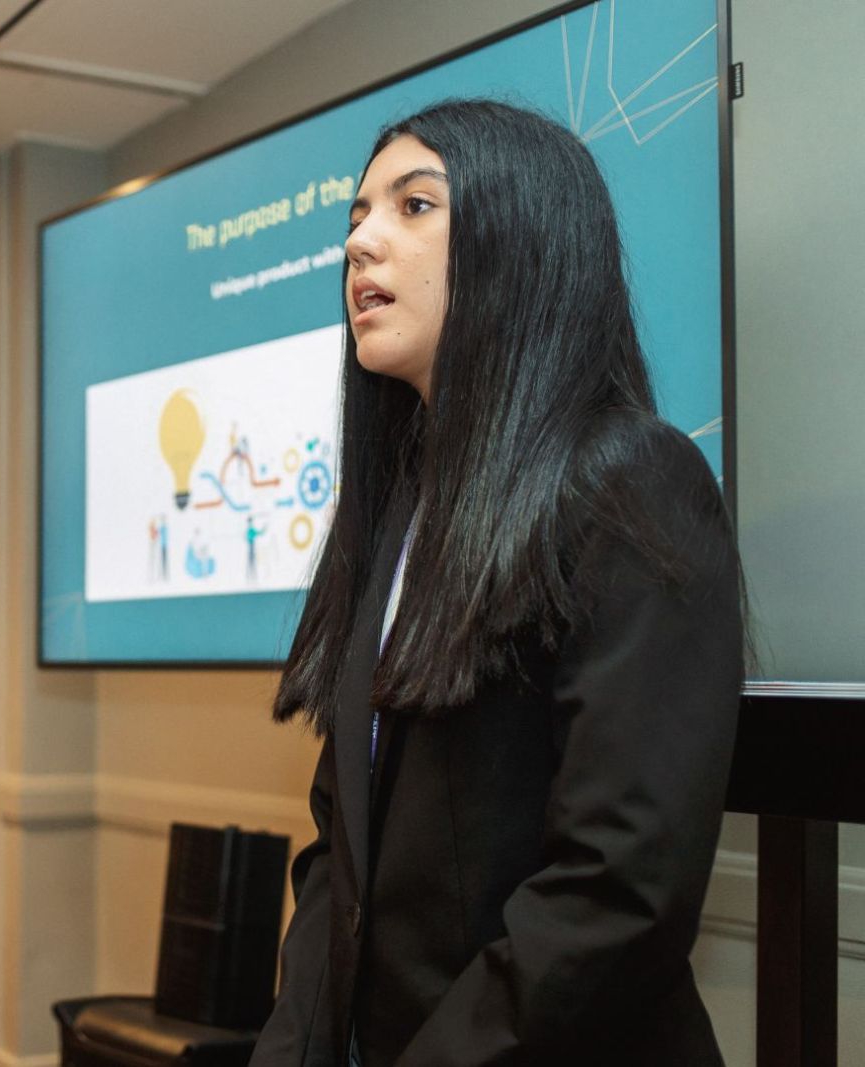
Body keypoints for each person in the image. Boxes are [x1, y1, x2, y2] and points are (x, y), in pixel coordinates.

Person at [251, 100, 744, 1066]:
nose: (360, 242)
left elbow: (617, 889)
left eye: (413, 206)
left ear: (523, 239)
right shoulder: (396, 514)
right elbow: (337, 859)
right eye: (356, 216)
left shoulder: (630, 478)